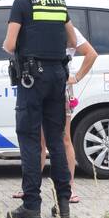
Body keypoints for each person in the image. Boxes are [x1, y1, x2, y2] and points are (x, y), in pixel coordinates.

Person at [3, 0, 77, 218]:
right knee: (56, 139)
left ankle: (32, 207)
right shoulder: (58, 2)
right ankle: (64, 204)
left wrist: (13, 45)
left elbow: (10, 44)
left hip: (31, 80)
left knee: (30, 140)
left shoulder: (22, 3)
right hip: (58, 76)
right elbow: (73, 42)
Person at [11, 23, 98, 204]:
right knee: (41, 139)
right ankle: (30, 187)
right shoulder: (44, 28)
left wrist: (77, 77)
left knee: (63, 138)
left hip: (60, 88)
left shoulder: (68, 30)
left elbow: (91, 53)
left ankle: (70, 186)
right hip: (47, 86)